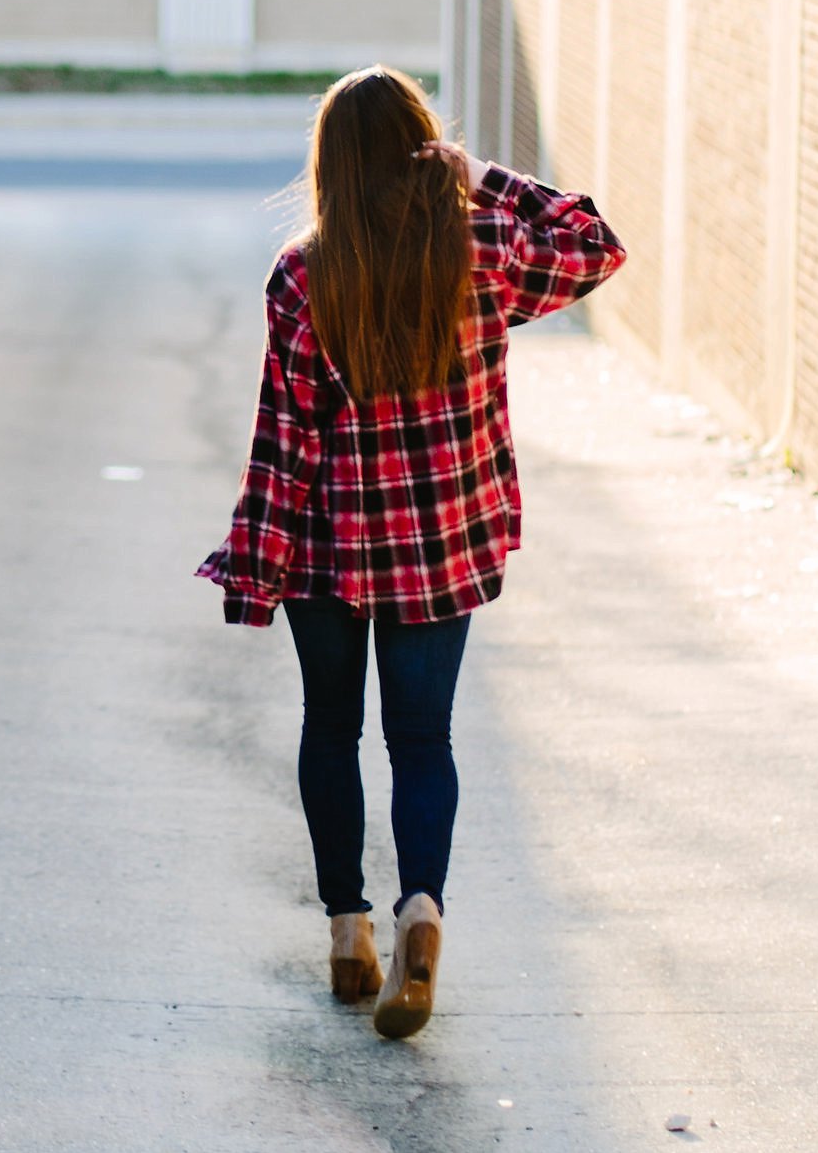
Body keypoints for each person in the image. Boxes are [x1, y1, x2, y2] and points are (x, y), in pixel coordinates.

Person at [199, 67, 624, 1040]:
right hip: (440, 542)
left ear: (330, 166)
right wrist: (486, 178)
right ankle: (419, 914)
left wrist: (255, 558)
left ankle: (346, 928)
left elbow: (285, 433)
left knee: (329, 728)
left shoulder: (303, 273)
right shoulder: (480, 248)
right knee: (421, 739)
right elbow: (595, 243)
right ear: (421, 143)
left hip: (328, 549)